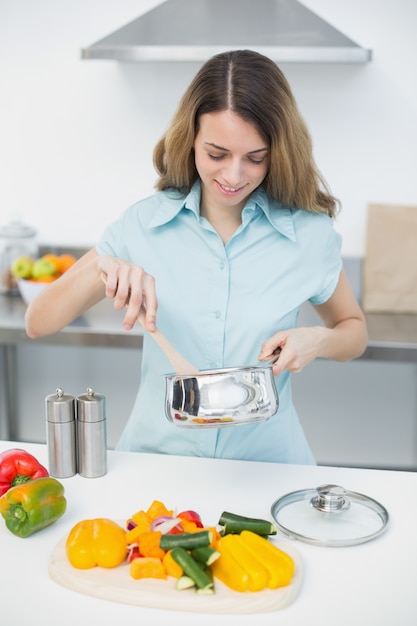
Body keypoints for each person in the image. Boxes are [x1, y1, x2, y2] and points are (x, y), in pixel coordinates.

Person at [25, 49, 367, 464]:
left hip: (269, 468)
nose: (234, 176)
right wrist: (104, 269)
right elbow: (38, 322)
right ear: (190, 140)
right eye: (217, 154)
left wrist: (318, 340)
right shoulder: (144, 224)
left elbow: (354, 333)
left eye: (255, 157)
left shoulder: (310, 236)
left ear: (278, 150)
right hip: (157, 467)